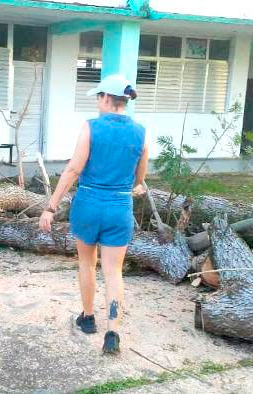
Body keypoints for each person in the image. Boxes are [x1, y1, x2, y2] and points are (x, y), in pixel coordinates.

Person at [39, 74, 148, 354]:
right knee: (113, 272)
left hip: (88, 204)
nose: (98, 103)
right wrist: (133, 186)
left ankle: (88, 318)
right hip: (119, 208)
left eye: (99, 97)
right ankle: (113, 333)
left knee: (87, 264)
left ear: (106, 98)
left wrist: (51, 207)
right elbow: (140, 180)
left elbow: (74, 169)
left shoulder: (90, 127)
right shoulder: (141, 133)